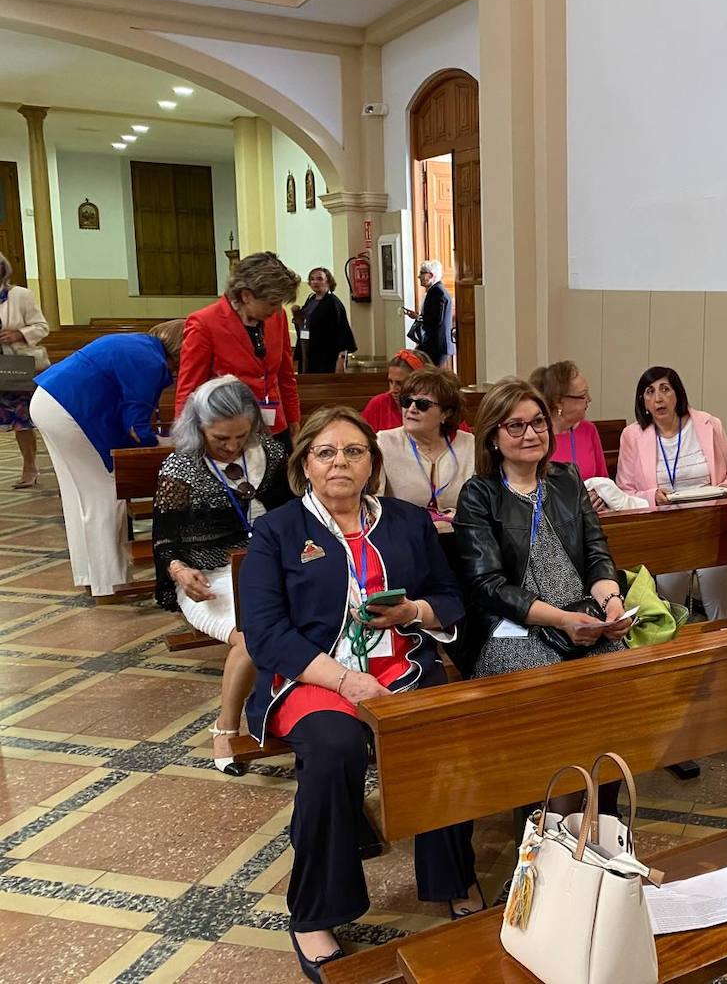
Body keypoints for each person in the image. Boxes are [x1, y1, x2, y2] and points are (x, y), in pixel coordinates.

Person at [240, 406, 477, 981]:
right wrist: (345, 679)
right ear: (305, 465)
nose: (340, 462)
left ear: (373, 463)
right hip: (315, 676)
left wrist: (413, 610)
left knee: (445, 734)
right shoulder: (278, 530)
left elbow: (449, 595)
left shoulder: (404, 521)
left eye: (354, 451)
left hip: (402, 668)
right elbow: (265, 632)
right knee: (334, 749)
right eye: (326, 452)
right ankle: (315, 911)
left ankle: (452, 876)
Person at [153, 377, 292, 774]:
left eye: (240, 436)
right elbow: (165, 542)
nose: (232, 446)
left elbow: (292, 512)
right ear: (198, 428)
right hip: (211, 578)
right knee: (252, 637)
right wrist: (180, 571)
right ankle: (226, 729)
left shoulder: (270, 452)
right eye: (220, 438)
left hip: (269, 567)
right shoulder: (181, 468)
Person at [455, 376, 632, 677]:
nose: (531, 434)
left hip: (581, 613)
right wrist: (561, 620)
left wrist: (612, 604)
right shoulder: (478, 494)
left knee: (618, 663)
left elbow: (596, 554)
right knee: (546, 674)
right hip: (512, 624)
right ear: (492, 437)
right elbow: (489, 587)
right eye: (515, 426)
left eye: (538, 422)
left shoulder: (567, 479)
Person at [30, 321, 183, 597]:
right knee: (105, 495)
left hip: (49, 401)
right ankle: (110, 584)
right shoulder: (150, 359)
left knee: (80, 498)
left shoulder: (141, 345)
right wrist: (160, 445)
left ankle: (91, 575)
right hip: (69, 410)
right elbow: (136, 426)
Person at [615, 366, 727, 619]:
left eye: (665, 389)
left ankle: (720, 651)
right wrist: (651, 495)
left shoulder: (709, 424)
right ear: (642, 401)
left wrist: (726, 488)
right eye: (650, 392)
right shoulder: (632, 435)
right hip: (668, 529)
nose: (658, 398)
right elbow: (625, 491)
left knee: (718, 609)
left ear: (678, 394)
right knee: (669, 608)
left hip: (711, 526)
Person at [176, 251, 301, 448]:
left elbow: (285, 374)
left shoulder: (277, 318)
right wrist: (186, 442)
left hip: (275, 427)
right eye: (272, 303)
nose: (277, 310)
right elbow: (189, 388)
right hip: (229, 433)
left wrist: (293, 417)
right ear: (246, 296)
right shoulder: (204, 323)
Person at [377, 366, 474, 558]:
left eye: (422, 404)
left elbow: (481, 506)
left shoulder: (470, 445)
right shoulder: (383, 443)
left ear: (445, 413)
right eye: (407, 402)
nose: (411, 409)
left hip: (462, 544)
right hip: (406, 545)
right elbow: (374, 505)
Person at [0, 252, 50, 489]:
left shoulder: (20, 295)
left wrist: (18, 334)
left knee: (23, 421)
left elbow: (42, 327)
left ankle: (30, 467)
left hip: (17, 367)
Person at [535, 360, 609, 483]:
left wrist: (600, 497)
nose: (589, 399)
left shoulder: (589, 430)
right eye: (583, 395)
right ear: (558, 401)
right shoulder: (537, 436)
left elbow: (604, 481)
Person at [294, 267, 356, 374]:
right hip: (308, 350)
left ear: (328, 281)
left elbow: (342, 331)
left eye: (319, 279)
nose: (315, 282)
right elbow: (304, 324)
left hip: (326, 354)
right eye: (312, 279)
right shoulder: (311, 300)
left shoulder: (332, 302)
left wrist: (341, 359)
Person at [361, 349, 432, 433]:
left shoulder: (433, 408)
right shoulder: (378, 404)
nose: (392, 390)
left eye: (400, 383)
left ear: (421, 382)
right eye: (391, 382)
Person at [406, 261, 453, 368]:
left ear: (431, 275)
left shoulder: (437, 292)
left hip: (436, 345)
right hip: (432, 345)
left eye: (422, 273)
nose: (419, 276)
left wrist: (418, 317)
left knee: (430, 376)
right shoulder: (434, 291)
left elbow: (436, 319)